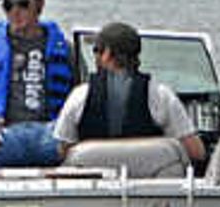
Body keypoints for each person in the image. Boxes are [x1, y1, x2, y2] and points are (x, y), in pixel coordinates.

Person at [46, 20, 203, 169]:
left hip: (93, 191)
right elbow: (196, 152)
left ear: (107, 53)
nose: (95, 56)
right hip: (149, 191)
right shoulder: (161, 96)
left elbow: (63, 151)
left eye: (96, 50)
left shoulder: (79, 95)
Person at [0, 0, 79, 168]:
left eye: (23, 4)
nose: (15, 11)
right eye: (8, 5)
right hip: (5, 134)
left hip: (51, 134)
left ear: (40, 4)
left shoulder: (65, 49)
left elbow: (79, 97)